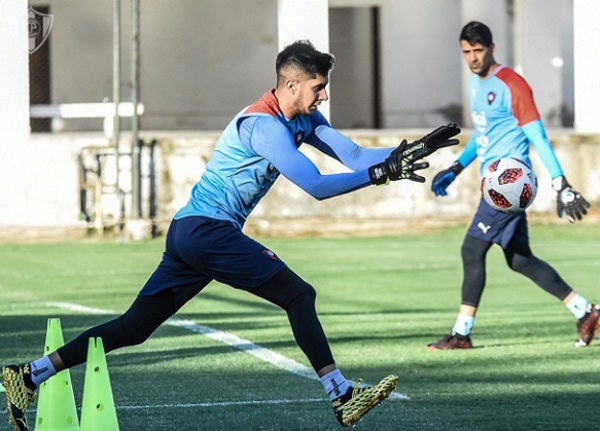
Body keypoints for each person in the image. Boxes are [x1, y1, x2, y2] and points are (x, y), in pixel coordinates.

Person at [3, 40, 460, 430]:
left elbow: (357, 155)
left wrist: (415, 148)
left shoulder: (304, 119)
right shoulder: (262, 125)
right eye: (318, 87)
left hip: (190, 233)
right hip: (207, 232)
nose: (323, 95)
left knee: (134, 328)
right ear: (292, 84)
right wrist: (382, 174)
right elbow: (318, 186)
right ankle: (341, 394)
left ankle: (28, 375)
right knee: (299, 295)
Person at [427, 21, 595, 351]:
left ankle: (461, 334)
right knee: (520, 260)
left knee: (471, 250)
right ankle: (586, 311)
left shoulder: (512, 84)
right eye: (467, 52)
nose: (473, 58)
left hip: (508, 186)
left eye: (478, 51)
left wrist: (561, 183)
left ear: (492, 48)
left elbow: (538, 136)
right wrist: (457, 167)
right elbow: (484, 133)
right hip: (494, 184)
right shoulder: (477, 85)